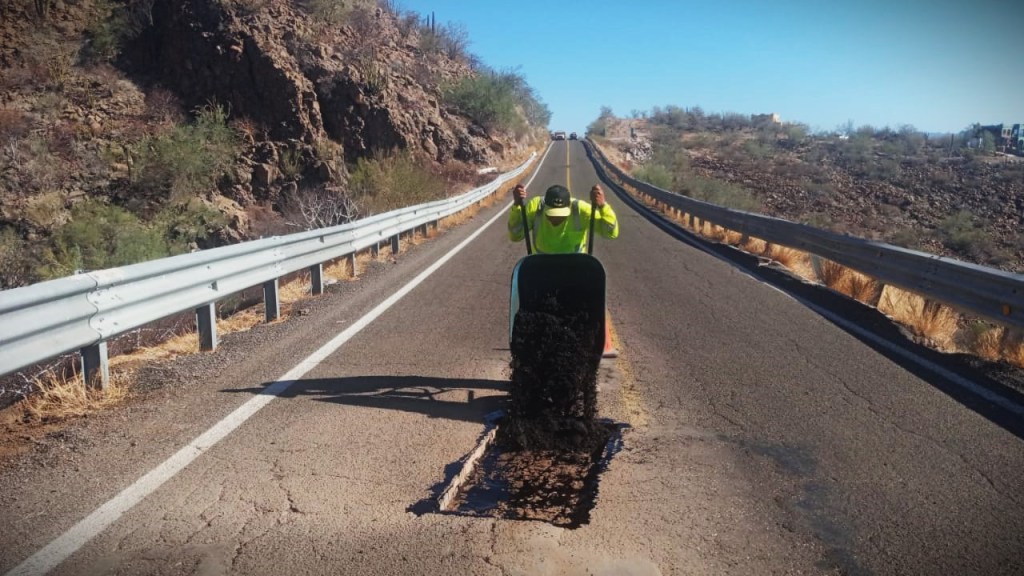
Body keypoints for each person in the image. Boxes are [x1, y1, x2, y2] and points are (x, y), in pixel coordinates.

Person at [507, 184, 618, 253]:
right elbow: (515, 235)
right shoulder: (535, 208)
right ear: (545, 208)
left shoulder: (581, 210)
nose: (556, 219)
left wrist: (603, 206)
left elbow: (610, 232)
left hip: (575, 268)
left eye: (561, 215)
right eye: (551, 215)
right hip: (542, 268)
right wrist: (517, 205)